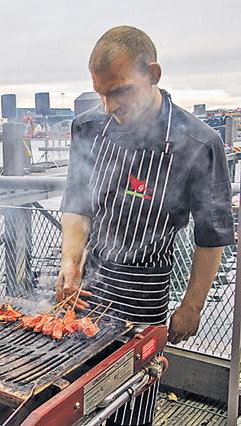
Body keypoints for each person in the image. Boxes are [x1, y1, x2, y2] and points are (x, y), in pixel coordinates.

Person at [57, 26, 234, 426]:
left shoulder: (198, 143)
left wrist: (191, 307)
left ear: (152, 74)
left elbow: (211, 236)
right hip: (89, 281)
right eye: (100, 93)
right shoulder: (88, 127)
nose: (107, 106)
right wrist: (69, 261)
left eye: (119, 91)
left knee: (130, 400)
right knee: (73, 395)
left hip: (146, 289)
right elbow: (77, 205)